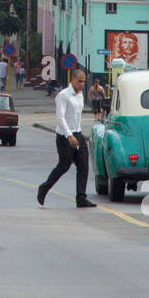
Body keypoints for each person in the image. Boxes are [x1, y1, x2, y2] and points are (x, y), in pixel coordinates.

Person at [38, 67, 97, 208]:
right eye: (79, 81)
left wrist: (77, 135)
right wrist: (69, 135)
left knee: (84, 166)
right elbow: (60, 117)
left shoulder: (81, 95)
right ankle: (44, 188)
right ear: (72, 80)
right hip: (65, 136)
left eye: (83, 81)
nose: (82, 84)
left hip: (78, 133)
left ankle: (81, 198)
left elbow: (76, 117)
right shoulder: (63, 95)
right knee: (64, 166)